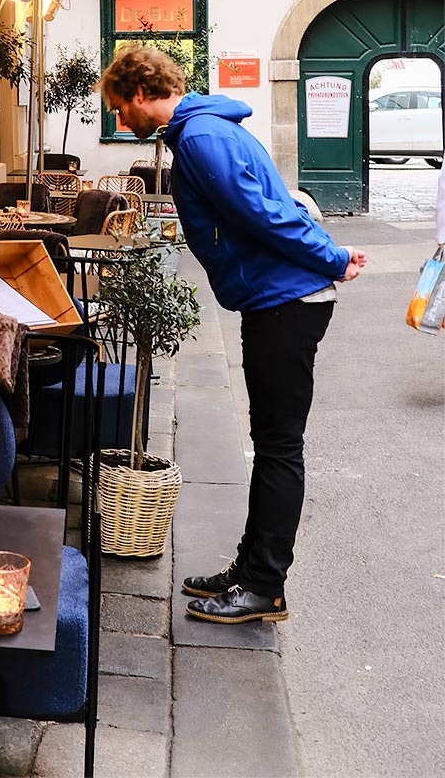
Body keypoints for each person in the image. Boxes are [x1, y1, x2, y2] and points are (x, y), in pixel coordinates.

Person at [99, 45, 366, 626]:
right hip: (278, 298)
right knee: (272, 444)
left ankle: (265, 589)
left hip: (285, 300)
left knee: (277, 448)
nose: (121, 120)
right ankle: (250, 570)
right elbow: (270, 206)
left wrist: (332, 255)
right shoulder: (205, 132)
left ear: (142, 93)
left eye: (121, 108)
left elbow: (264, 214)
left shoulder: (200, 140)